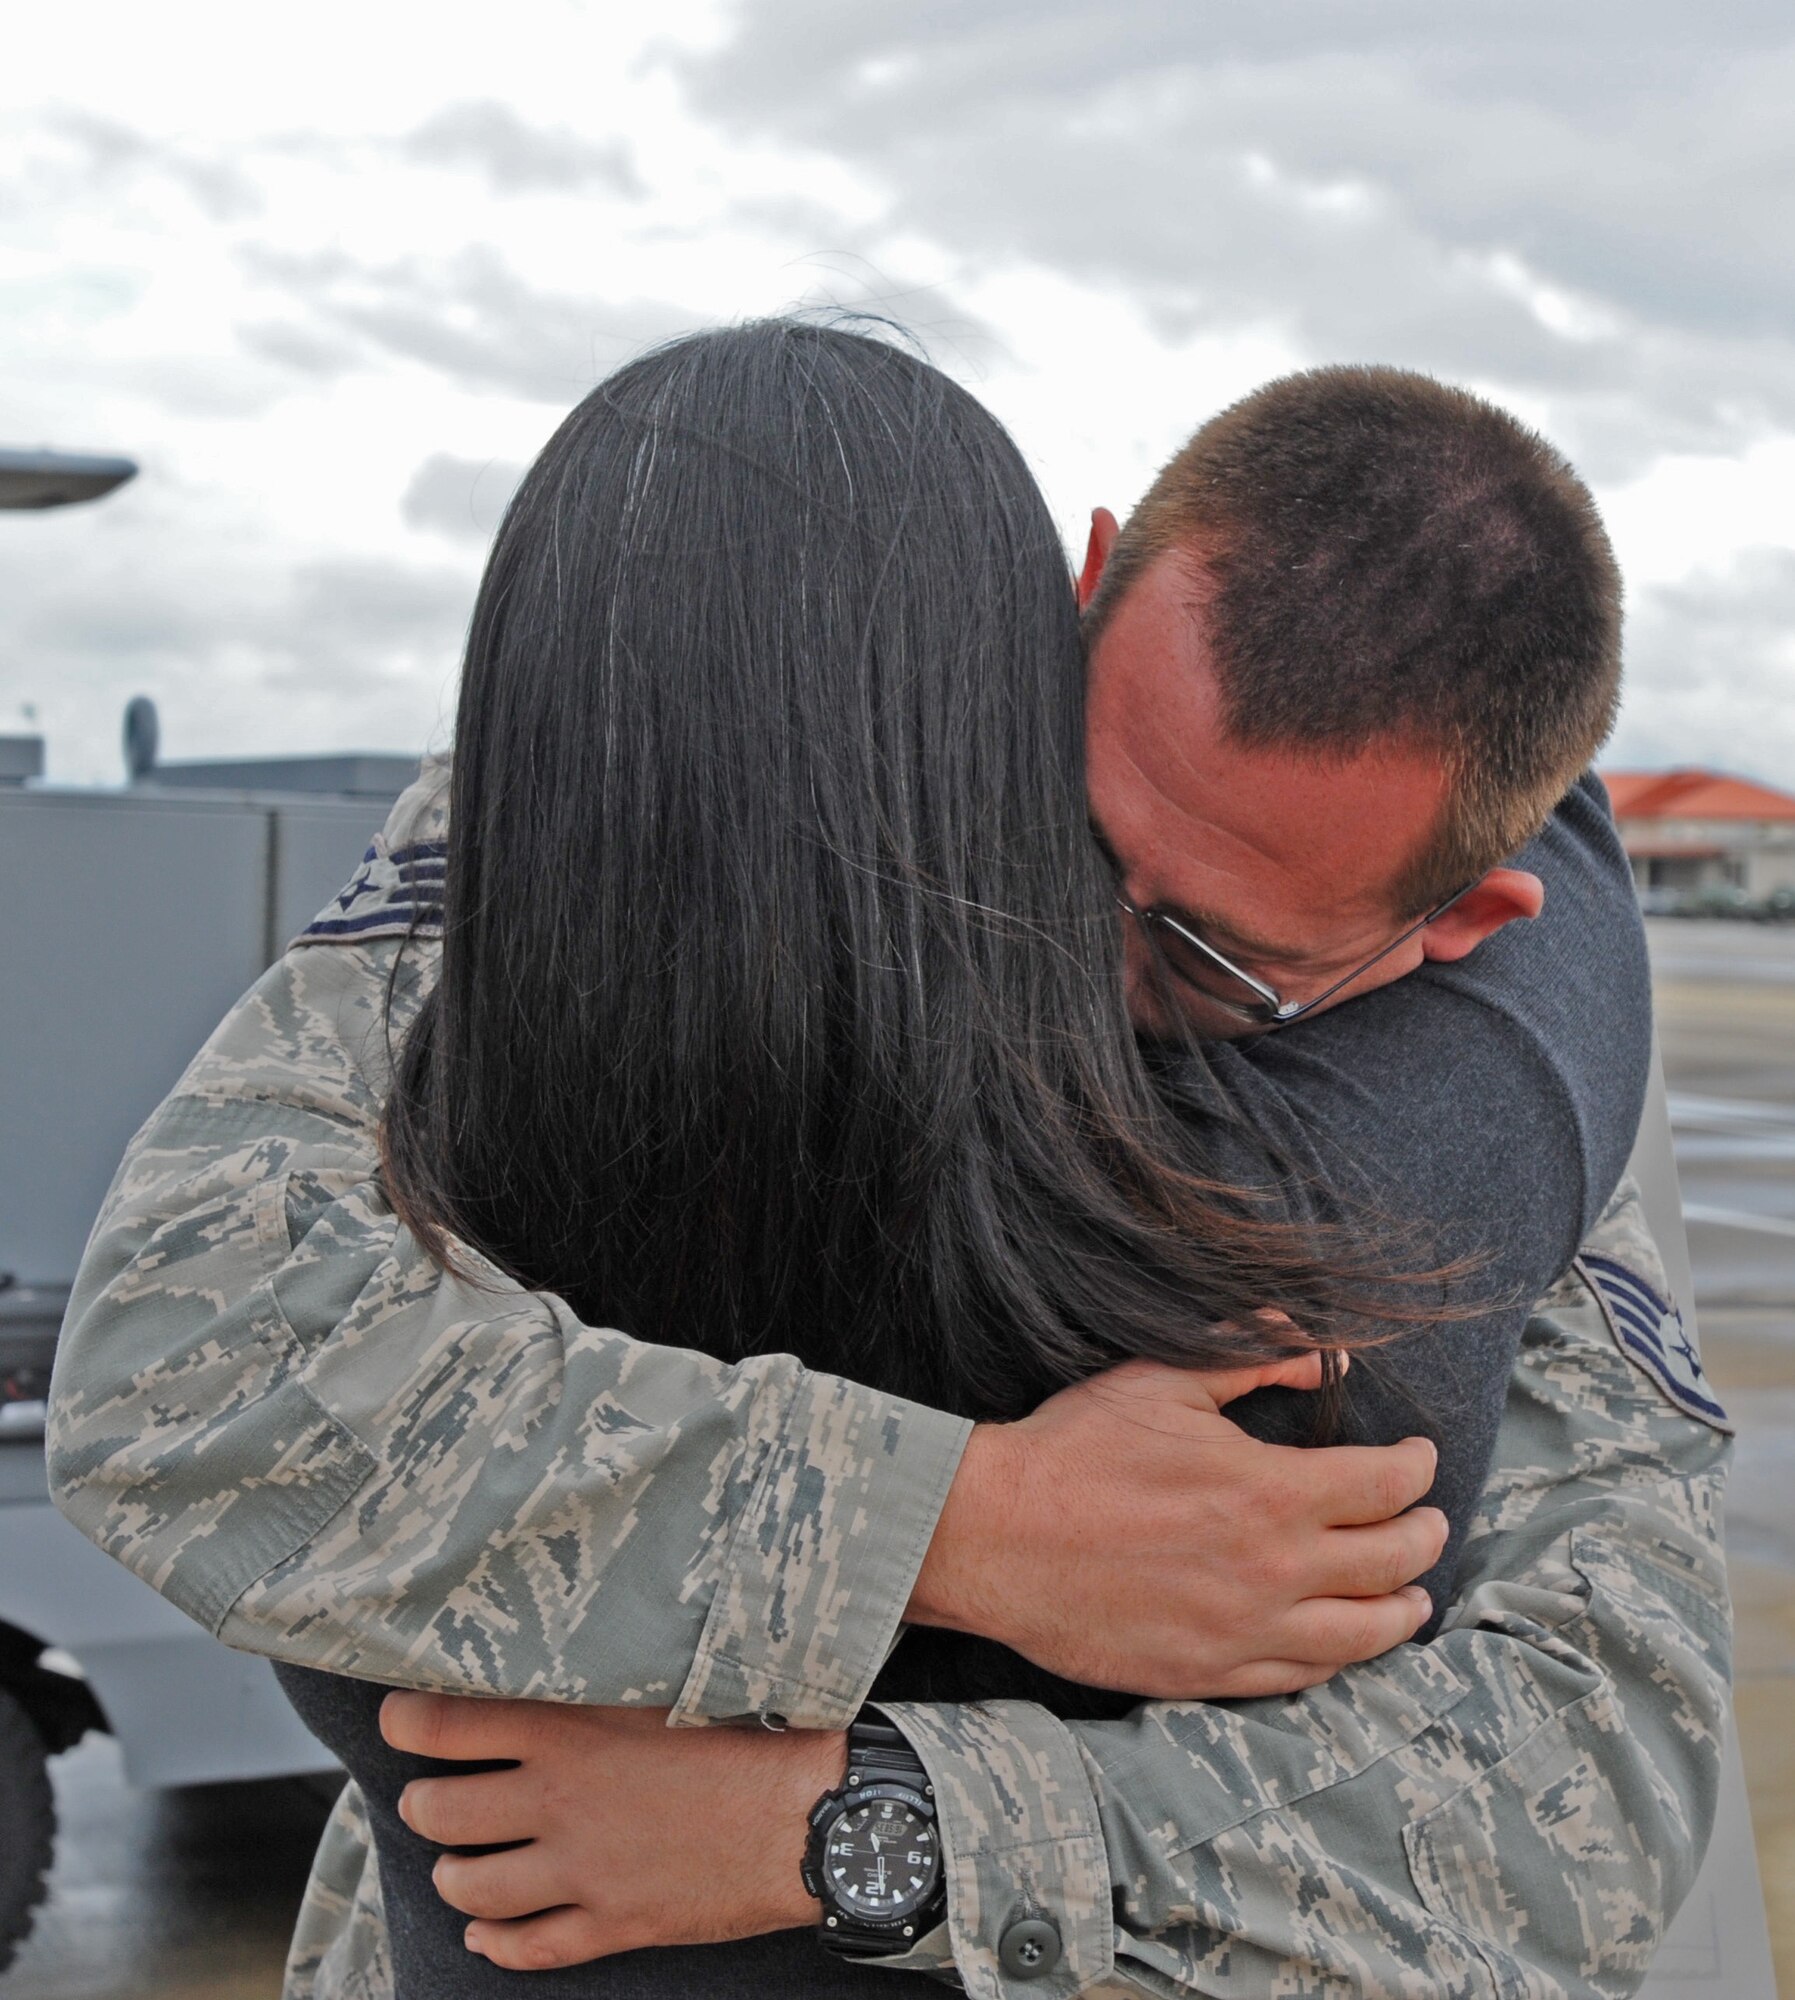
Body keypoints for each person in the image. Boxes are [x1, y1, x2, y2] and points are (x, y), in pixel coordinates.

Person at [43, 326, 1725, 1996]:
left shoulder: (1492, 1124)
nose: (1090, 955)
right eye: (1065, 840)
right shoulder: (691, 794)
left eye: (1211, 956)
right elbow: (178, 1362)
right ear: (1078, 591)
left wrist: (866, 1829)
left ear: (1463, 926)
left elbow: (1580, 1811)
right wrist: (977, 1527)